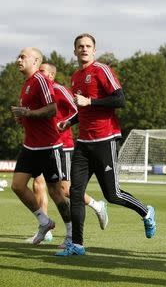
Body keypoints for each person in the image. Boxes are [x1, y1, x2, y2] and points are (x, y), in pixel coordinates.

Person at [55, 33, 156, 256]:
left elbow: (120, 99)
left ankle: (146, 211)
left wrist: (90, 101)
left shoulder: (101, 70)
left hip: (105, 140)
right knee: (75, 191)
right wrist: (69, 121)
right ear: (74, 51)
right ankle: (77, 245)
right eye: (80, 46)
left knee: (112, 194)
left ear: (94, 50)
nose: (84, 49)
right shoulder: (75, 76)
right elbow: (84, 110)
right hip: (83, 142)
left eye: (88, 46)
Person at [25, 63, 109, 248]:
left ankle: (97, 205)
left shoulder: (59, 89)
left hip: (63, 145)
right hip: (40, 145)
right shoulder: (37, 90)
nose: (38, 74)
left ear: (52, 75)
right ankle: (47, 230)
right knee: (37, 184)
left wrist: (64, 123)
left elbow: (79, 109)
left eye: (43, 71)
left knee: (64, 189)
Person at [10, 47, 71, 245]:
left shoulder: (40, 80)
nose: (18, 60)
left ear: (35, 60)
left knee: (56, 192)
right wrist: (22, 117)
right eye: (18, 56)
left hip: (49, 146)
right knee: (18, 186)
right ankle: (44, 222)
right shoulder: (26, 83)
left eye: (23, 56)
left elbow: (52, 109)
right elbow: (31, 113)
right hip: (30, 146)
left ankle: (72, 234)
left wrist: (29, 114)